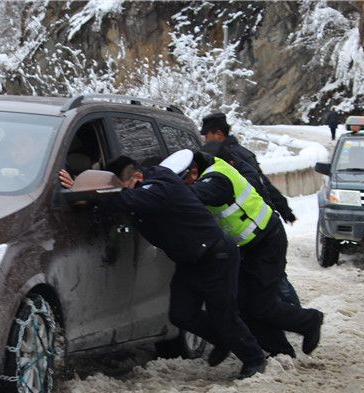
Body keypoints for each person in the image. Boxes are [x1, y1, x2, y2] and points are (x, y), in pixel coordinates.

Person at [64, 156, 268, 379]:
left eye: (125, 188)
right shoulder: (148, 183)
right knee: (181, 314)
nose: (125, 192)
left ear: (137, 177)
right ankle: (222, 339)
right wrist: (85, 188)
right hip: (190, 259)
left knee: (223, 314)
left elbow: (127, 200)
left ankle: (254, 359)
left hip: (216, 255)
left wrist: (82, 193)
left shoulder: (159, 187)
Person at [162, 148, 324, 360]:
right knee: (243, 305)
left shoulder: (216, 179)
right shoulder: (206, 172)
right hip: (244, 247)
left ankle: (309, 320)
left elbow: (192, 195)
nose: (184, 187)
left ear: (193, 173)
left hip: (267, 241)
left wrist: (161, 193)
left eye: (183, 182)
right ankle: (279, 350)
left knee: (262, 305)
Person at [200, 112, 301, 306]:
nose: (205, 140)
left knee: (275, 278)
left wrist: (283, 209)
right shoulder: (236, 153)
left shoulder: (231, 157)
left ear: (218, 134)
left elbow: (260, 184)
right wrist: (284, 209)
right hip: (253, 225)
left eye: (207, 135)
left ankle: (295, 313)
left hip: (257, 225)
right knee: (263, 278)